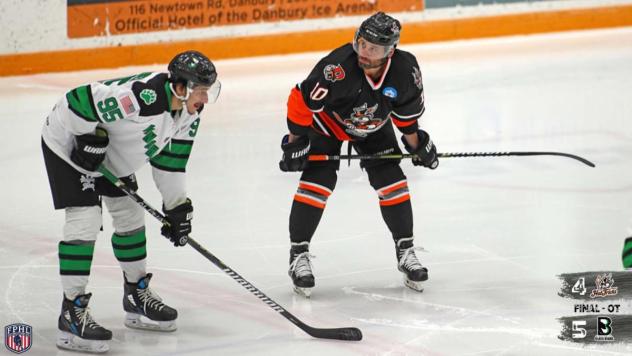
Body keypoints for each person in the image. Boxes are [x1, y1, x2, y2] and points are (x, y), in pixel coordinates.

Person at [41, 50, 221, 353]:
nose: (204, 99)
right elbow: (77, 100)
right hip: (67, 143)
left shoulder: (189, 114)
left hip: (110, 155)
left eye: (208, 91)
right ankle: (71, 311)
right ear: (180, 87)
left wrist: (176, 208)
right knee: (85, 220)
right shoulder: (143, 98)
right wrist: (87, 137)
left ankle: (136, 295)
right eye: (200, 91)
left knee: (131, 216)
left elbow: (170, 164)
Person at [279, 12, 438, 297]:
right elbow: (300, 101)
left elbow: (405, 115)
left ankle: (406, 250)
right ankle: (298, 255)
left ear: (390, 51)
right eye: (362, 43)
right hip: (327, 124)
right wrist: (295, 143)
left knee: (392, 181)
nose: (365, 52)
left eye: (374, 48)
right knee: (318, 181)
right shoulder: (337, 68)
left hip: (373, 126)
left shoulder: (405, 70)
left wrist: (417, 145)